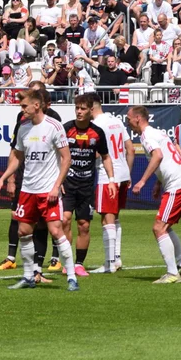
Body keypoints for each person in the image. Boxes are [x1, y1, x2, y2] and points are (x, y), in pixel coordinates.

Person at [0, 87, 78, 292]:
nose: (22, 110)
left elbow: (67, 159)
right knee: (23, 231)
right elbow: (18, 158)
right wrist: (3, 178)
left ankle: (72, 277)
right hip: (28, 190)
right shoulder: (23, 128)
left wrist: (57, 186)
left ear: (36, 105)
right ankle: (29, 276)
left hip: (48, 190)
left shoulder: (54, 127)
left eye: (24, 106)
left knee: (56, 231)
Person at [128, 106, 181, 284]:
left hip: (177, 186)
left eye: (129, 118)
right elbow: (167, 157)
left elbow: (157, 156)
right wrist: (158, 182)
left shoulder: (147, 135)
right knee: (165, 227)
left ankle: (173, 273)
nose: (128, 122)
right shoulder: (158, 133)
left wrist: (142, 181)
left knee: (159, 228)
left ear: (138, 119)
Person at [60, 93, 115, 278]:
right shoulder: (66, 129)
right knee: (65, 220)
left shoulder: (97, 132)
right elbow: (56, 156)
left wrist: (112, 179)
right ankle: (66, 261)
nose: (79, 112)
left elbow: (105, 157)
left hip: (86, 185)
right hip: (67, 184)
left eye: (83, 109)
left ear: (91, 110)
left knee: (84, 225)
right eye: (77, 108)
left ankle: (78, 264)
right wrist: (57, 181)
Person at [88, 92, 134, 274]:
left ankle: (109, 263)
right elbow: (130, 148)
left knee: (107, 217)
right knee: (114, 216)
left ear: (91, 108)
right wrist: (128, 173)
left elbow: (98, 153)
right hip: (122, 173)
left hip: (107, 175)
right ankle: (117, 258)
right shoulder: (116, 121)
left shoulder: (96, 125)